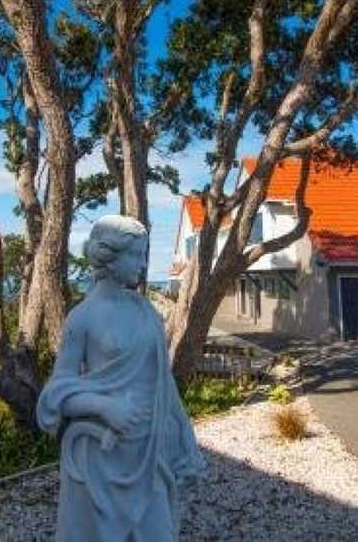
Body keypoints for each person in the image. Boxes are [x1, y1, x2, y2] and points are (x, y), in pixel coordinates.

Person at [37, 215, 205, 542]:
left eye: (144, 255)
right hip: (100, 453)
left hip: (149, 448)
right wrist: (105, 407)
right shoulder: (82, 319)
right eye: (137, 255)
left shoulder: (145, 311)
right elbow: (56, 392)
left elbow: (163, 381)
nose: (143, 264)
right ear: (110, 257)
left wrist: (185, 437)